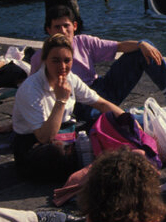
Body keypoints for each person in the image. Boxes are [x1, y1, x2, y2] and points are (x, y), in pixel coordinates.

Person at [29, 4, 166, 119]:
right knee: (113, 120)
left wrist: (141, 44)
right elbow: (32, 89)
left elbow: (119, 46)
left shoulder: (84, 42)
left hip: (100, 88)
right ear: (49, 30)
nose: (63, 31)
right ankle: (133, 118)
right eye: (57, 27)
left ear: (74, 26)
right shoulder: (40, 58)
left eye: (66, 26)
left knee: (143, 47)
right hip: (78, 102)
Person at [13, 34, 124, 184]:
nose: (62, 67)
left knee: (105, 123)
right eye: (56, 61)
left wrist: (128, 121)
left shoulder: (70, 78)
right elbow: (44, 137)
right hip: (34, 145)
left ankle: (87, 163)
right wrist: (61, 100)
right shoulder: (31, 89)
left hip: (64, 133)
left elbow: (101, 103)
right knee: (58, 151)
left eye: (67, 60)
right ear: (45, 60)